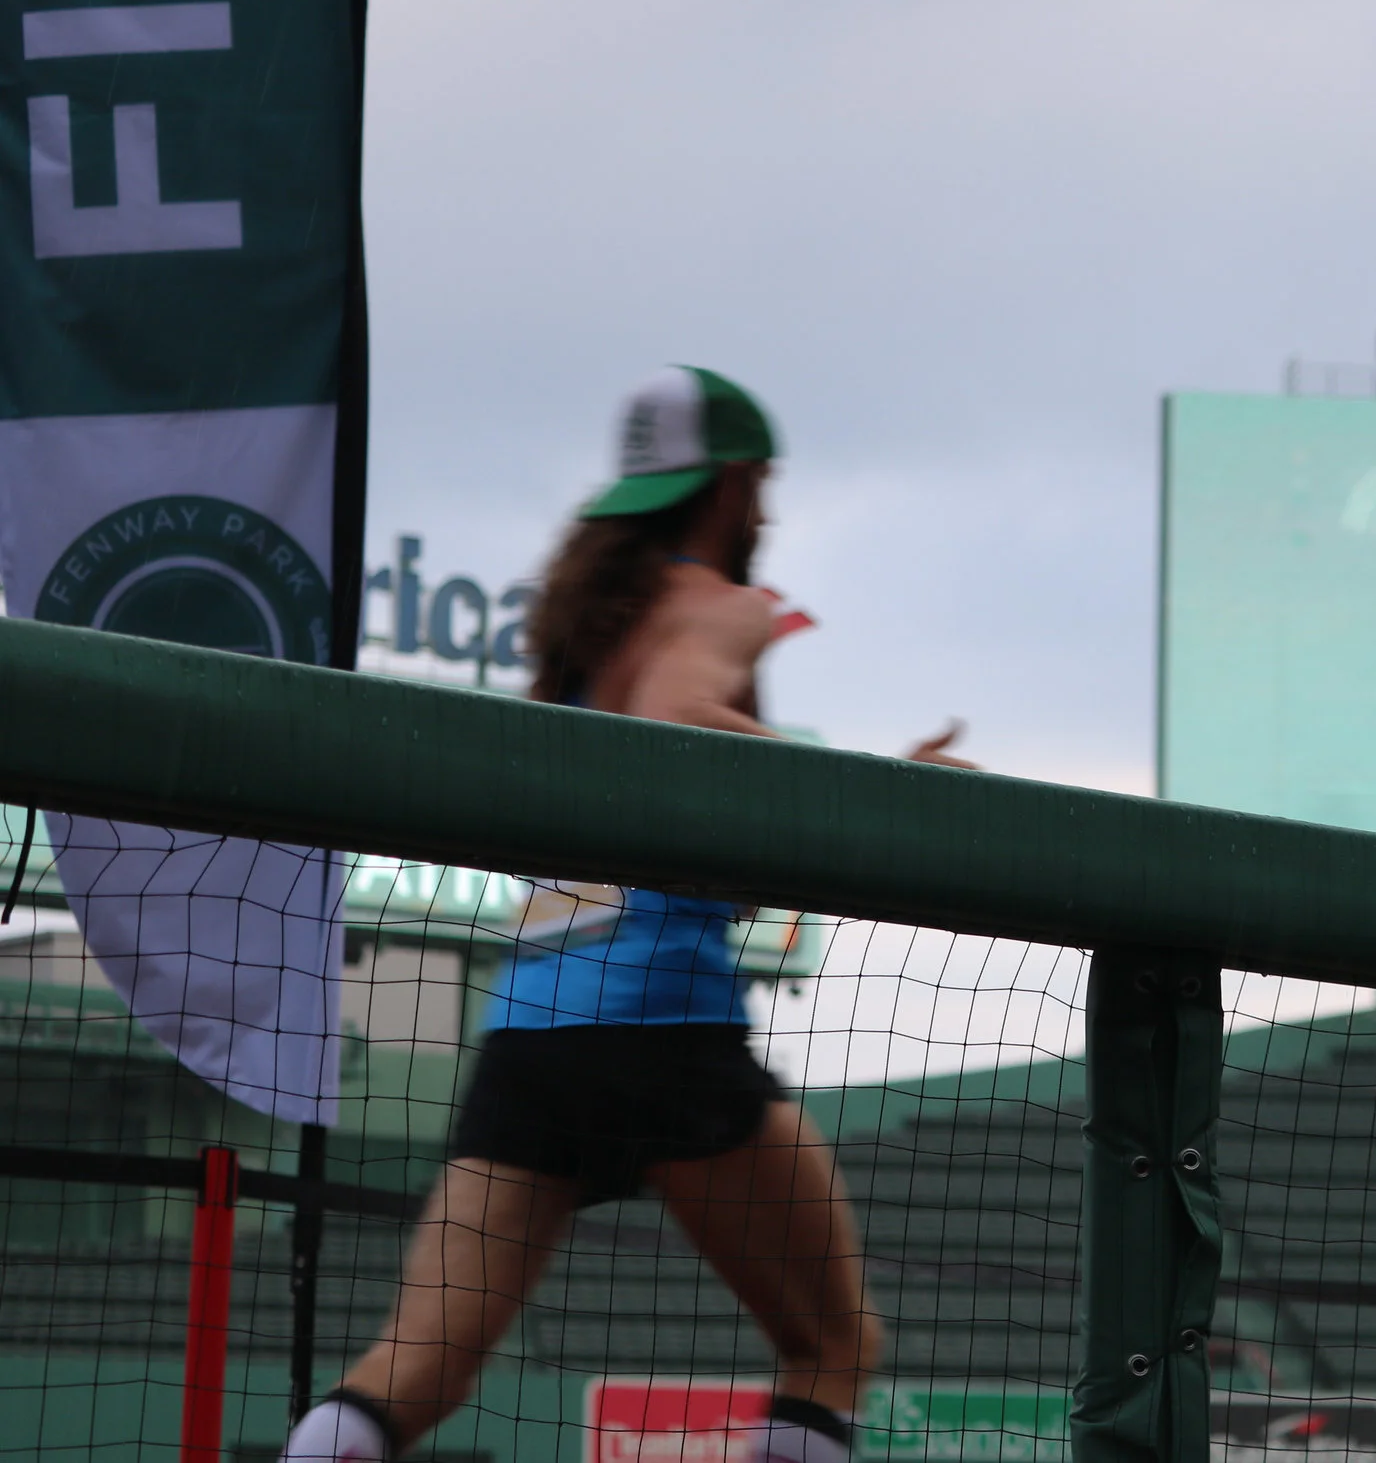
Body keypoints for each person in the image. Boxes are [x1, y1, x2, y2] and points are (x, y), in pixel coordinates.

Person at [283, 366, 973, 1463]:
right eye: (763, 485)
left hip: (529, 1039)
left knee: (409, 1373)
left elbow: (706, 834)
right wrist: (878, 785)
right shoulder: (723, 606)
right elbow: (678, 718)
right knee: (834, 1343)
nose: (771, 512)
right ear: (736, 484)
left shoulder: (580, 638)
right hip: (664, 1024)